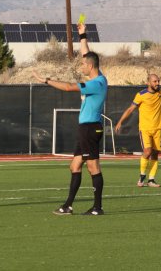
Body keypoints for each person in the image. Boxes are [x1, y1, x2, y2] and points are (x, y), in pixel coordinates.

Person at [33, 22, 108, 216]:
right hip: (85, 128)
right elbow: (87, 53)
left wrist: (46, 80)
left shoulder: (97, 83)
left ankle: (97, 207)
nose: (81, 65)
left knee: (93, 166)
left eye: (83, 64)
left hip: (91, 128)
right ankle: (68, 206)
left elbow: (67, 87)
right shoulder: (97, 76)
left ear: (90, 66)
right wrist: (82, 35)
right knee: (74, 165)